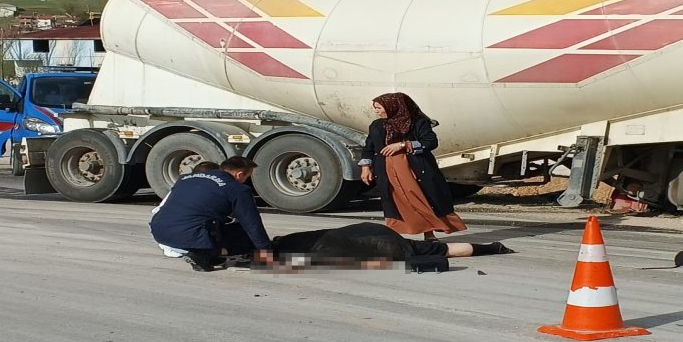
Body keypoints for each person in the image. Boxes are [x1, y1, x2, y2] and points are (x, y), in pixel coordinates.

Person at [359, 92, 465, 241]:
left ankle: (429, 234)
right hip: (387, 171)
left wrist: (403, 145)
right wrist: (365, 167)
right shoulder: (376, 125)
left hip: (412, 170)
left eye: (379, 108)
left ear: (393, 107)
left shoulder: (417, 123)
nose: (376, 111)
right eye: (375, 108)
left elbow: (431, 142)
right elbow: (369, 147)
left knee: (418, 198)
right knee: (395, 201)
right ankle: (394, 235)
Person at [150, 156, 273, 272]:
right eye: (247, 177)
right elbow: (252, 224)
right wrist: (266, 252)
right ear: (240, 174)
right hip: (191, 235)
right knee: (245, 237)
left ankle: (200, 250)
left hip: (160, 233)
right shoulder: (238, 189)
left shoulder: (185, 179)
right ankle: (206, 254)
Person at [269, 222, 513, 272]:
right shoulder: (297, 237)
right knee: (437, 249)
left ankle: (492, 248)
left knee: (440, 252)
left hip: (379, 250)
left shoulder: (303, 255)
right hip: (373, 233)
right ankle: (493, 247)